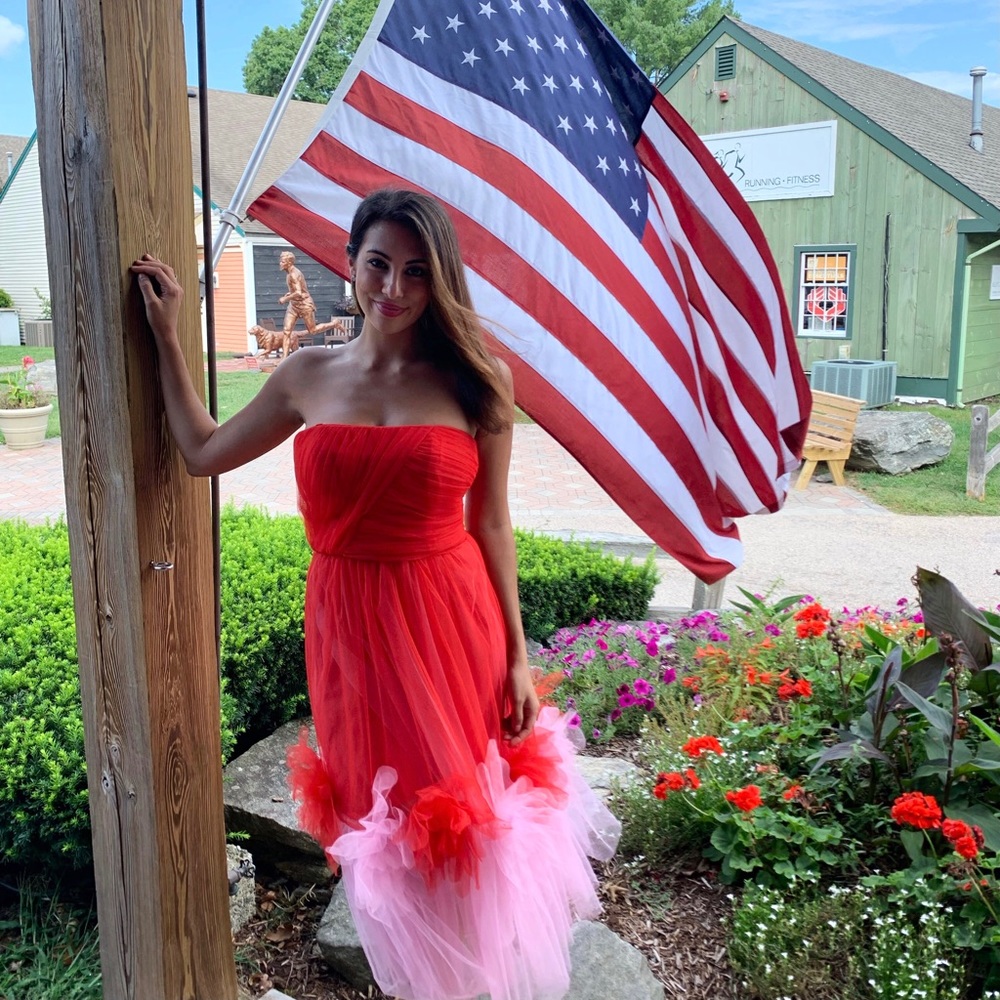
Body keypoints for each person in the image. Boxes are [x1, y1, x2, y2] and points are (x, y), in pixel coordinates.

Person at [131, 188, 620, 1000]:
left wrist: (519, 658)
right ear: (351, 263)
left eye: (417, 272)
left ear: (441, 281)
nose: (393, 288)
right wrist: (167, 337)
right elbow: (200, 451)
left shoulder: (474, 379)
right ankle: (421, 983)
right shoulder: (306, 375)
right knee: (386, 827)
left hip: (451, 623)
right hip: (350, 629)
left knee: (462, 824)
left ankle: (481, 981)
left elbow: (492, 524)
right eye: (378, 264)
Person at [278, 250, 318, 356]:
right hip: (294, 305)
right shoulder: (289, 273)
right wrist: (289, 294)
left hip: (304, 304)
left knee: (312, 330)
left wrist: (284, 299)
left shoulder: (294, 275)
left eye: (282, 262)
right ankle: (284, 358)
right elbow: (296, 290)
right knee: (286, 331)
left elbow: (299, 293)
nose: (280, 264)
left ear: (289, 263)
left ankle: (334, 323)